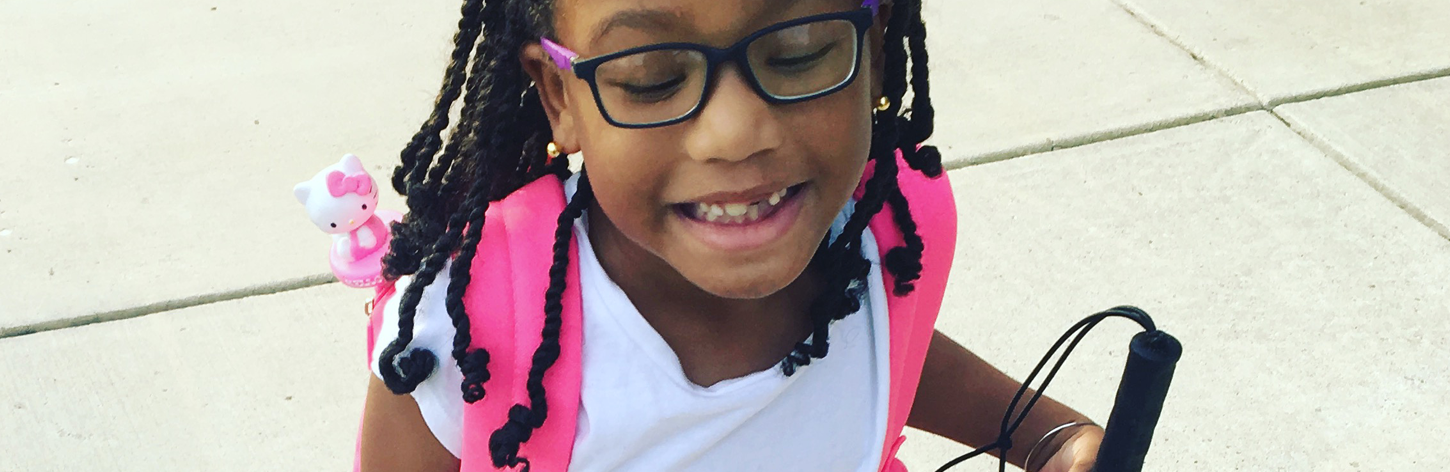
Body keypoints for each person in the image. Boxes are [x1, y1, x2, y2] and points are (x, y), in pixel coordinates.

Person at [357, 0, 1102, 470]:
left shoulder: (887, 238)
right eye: (650, 76)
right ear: (560, 97)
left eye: (802, 48)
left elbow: (880, 356)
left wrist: (1043, 435)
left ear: (874, 49)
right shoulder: (463, 334)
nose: (735, 133)